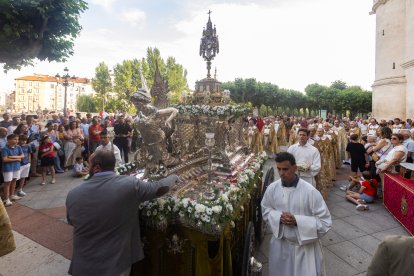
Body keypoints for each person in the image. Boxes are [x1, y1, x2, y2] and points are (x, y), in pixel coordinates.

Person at [66, 150, 179, 275]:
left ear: (97, 167)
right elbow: (158, 188)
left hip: (83, 266)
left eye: (89, 165)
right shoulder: (129, 185)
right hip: (115, 266)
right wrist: (175, 176)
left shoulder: (73, 194)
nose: (87, 168)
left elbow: (71, 221)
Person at [261, 152, 332, 276]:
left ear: (295, 168)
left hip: (304, 248)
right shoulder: (272, 188)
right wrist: (278, 217)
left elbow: (325, 222)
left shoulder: (310, 191)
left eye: (285, 169)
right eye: (279, 169)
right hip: (280, 245)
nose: (281, 173)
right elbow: (265, 209)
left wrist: (297, 221)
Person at [1, 134, 24, 206]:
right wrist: (17, 159)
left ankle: (12, 195)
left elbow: (22, 156)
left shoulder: (18, 147)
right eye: (15, 139)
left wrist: (12, 157)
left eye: (17, 139)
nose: (17, 141)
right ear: (8, 140)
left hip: (16, 167)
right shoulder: (5, 149)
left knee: (14, 181)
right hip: (8, 168)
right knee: (7, 183)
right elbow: (5, 159)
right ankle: (6, 199)